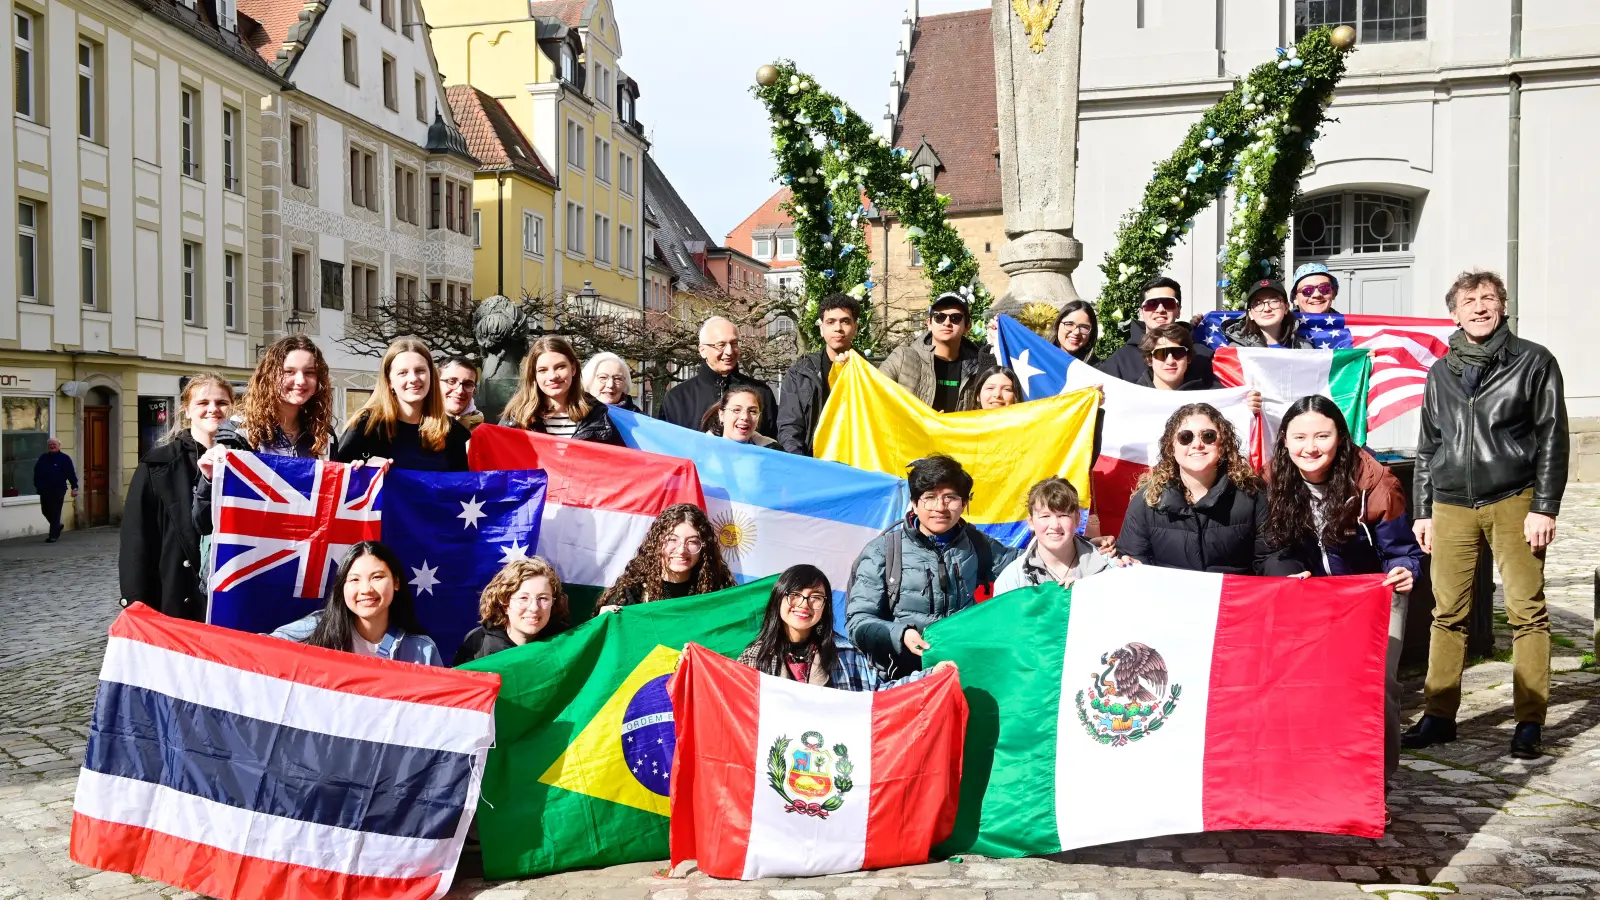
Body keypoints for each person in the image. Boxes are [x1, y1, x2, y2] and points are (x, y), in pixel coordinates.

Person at [1404, 270, 1568, 761]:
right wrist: (1423, 510)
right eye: (1469, 300)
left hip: (1513, 499)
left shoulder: (1533, 362)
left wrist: (1544, 506)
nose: (1479, 307)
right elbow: (1428, 445)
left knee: (1526, 611)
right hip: (1451, 504)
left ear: (1503, 307)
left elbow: (1553, 437)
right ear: (1453, 312)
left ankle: (1529, 720)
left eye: (1489, 299)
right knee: (1446, 613)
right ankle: (1438, 714)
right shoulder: (1440, 372)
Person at [1263, 395, 1423, 783]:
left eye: (1322, 435)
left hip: (1373, 596)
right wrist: (1286, 572)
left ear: (1341, 438)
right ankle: (1317, 778)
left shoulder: (1376, 483)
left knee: (1376, 685)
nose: (1310, 447)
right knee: (1307, 689)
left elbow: (1401, 551)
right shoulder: (1269, 481)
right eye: (1299, 437)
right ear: (1284, 439)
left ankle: (1375, 783)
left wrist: (1405, 570)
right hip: (1310, 598)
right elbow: (1269, 548)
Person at [846, 455, 1023, 676]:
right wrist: (900, 635)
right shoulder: (883, 551)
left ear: (965, 502)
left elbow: (1030, 566)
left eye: (950, 497)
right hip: (903, 678)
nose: (940, 507)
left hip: (964, 673)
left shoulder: (978, 545)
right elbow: (858, 623)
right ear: (914, 502)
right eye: (930, 497)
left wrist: (1074, 560)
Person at [1117, 403, 1282, 575]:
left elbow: (1271, 557)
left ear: (1223, 443)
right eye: (1185, 437)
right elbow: (1133, 556)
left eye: (1208, 436)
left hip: (1232, 599)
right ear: (1171, 447)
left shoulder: (1253, 494)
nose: (1197, 444)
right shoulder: (1147, 499)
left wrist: (1286, 575)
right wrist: (1131, 564)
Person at [119, 373, 234, 619]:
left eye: (221, 402)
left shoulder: (248, 460)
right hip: (174, 597)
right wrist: (137, 606)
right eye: (203, 403)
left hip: (229, 595)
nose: (213, 409)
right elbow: (136, 541)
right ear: (187, 410)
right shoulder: (156, 465)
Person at [195, 335, 336, 535]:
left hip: (303, 557)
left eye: (309, 372)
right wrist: (209, 480)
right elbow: (203, 523)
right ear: (270, 376)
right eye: (289, 372)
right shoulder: (239, 433)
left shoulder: (324, 436)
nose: (301, 380)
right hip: (255, 557)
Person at [736, 564, 954, 690]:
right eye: (794, 595)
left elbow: (879, 697)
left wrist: (930, 676)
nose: (804, 604)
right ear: (778, 600)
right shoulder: (754, 657)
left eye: (815, 597)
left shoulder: (845, 654)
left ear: (825, 607)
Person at [272, 541, 442, 666]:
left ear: (396, 582)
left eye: (377, 577)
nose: (366, 589)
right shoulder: (316, 630)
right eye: (354, 579)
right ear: (342, 587)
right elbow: (259, 651)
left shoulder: (423, 650)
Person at [334, 338, 471, 471]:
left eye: (420, 371)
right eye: (403, 373)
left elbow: (461, 489)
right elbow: (336, 483)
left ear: (431, 376)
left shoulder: (452, 432)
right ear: (389, 381)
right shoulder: (365, 427)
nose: (413, 379)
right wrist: (358, 471)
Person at [597, 504, 735, 609]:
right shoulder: (631, 593)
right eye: (672, 540)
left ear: (704, 547)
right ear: (656, 543)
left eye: (692, 541)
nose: (681, 550)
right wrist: (604, 623)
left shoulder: (718, 592)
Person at [994, 477, 1117, 596]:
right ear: (1031, 522)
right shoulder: (1012, 581)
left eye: (1063, 515)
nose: (1055, 525)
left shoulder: (1112, 566)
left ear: (1077, 519)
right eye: (1045, 516)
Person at [660, 317, 777, 437]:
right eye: (721, 345)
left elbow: (773, 446)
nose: (729, 351)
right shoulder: (677, 398)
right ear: (702, 350)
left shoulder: (761, 393)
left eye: (734, 343)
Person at [776, 294, 859, 455]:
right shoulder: (800, 373)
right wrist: (799, 464)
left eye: (845, 321)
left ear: (855, 327)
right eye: (830, 322)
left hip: (858, 465)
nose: (838, 328)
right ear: (821, 329)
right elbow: (790, 426)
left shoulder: (871, 372)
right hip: (812, 462)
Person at [500, 336, 622, 444]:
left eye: (560, 367)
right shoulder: (515, 419)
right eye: (543, 370)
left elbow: (619, 463)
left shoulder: (597, 416)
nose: (552, 376)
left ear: (573, 369)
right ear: (534, 375)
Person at [878, 292, 986, 413]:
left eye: (956, 317)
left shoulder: (979, 368)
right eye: (939, 317)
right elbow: (872, 392)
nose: (947, 323)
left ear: (968, 326)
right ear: (929, 323)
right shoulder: (902, 357)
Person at [453, 556, 570, 665]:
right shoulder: (477, 644)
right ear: (504, 604)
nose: (534, 607)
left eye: (543, 598)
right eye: (523, 598)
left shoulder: (569, 644)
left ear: (554, 602)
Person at [1099, 277, 1214, 384]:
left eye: (1168, 303)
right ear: (1141, 312)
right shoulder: (1121, 360)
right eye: (1151, 304)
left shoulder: (1202, 355)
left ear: (1178, 310)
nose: (1160, 309)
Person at [1219, 279, 1312, 349]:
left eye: (1274, 301)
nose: (1267, 309)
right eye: (1258, 304)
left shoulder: (1304, 349)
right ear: (1250, 313)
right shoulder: (1236, 351)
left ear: (1286, 307)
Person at [1136, 323, 1215, 391]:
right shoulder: (1132, 398)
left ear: (1188, 358)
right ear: (1149, 359)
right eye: (1161, 354)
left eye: (1178, 353)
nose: (1170, 361)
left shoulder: (1209, 397)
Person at [703, 385, 780, 449]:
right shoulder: (702, 452)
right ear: (721, 415)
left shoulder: (773, 452)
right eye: (736, 410)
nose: (745, 417)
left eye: (752, 411)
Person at [32, 438, 78, 542]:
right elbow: (36, 472)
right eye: (50, 444)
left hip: (58, 489)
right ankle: (58, 525)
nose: (52, 446)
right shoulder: (43, 458)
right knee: (45, 511)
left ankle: (53, 536)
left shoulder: (65, 459)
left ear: (59, 445)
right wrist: (37, 485)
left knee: (55, 511)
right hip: (44, 489)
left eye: (54, 444)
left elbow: (71, 474)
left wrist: (74, 487)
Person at [439, 356, 485, 430]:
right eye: (452, 381)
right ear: (436, 384)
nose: (460, 391)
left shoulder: (484, 433)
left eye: (468, 384)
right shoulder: (418, 426)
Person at [957, 366, 1024, 411]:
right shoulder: (960, 429)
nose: (997, 394)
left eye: (1007, 389)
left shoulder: (1028, 429)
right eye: (990, 388)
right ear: (978, 394)